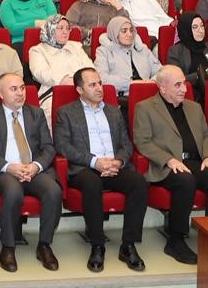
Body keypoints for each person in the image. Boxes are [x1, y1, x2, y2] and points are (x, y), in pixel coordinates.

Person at [54, 68, 148, 272]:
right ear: (79, 89)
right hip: (85, 168)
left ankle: (128, 245)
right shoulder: (66, 112)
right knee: (92, 183)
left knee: (139, 183)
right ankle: (97, 245)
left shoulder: (114, 111)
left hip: (113, 166)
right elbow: (63, 146)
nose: (99, 88)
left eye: (100, 83)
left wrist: (118, 162)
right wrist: (94, 162)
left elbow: (126, 144)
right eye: (92, 85)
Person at [133, 65, 208, 265]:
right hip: (166, 165)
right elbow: (143, 142)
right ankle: (176, 240)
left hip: (195, 161)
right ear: (162, 88)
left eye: (184, 83)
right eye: (178, 85)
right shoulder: (145, 108)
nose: (184, 89)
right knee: (185, 180)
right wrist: (168, 159)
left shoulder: (194, 107)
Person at [0, 70, 61, 271]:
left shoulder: (36, 113)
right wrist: (9, 167)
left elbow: (48, 147)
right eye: (13, 89)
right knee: (13, 191)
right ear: (0, 93)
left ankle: (44, 245)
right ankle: (8, 246)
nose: (20, 93)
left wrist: (35, 166)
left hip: (33, 168)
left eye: (22, 88)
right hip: (3, 170)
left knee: (54, 191)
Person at [94, 14, 162, 95]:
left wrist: (151, 82)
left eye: (131, 30)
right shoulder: (104, 51)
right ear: (114, 33)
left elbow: (161, 71)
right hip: (123, 97)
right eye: (124, 31)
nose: (129, 34)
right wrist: (130, 84)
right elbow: (101, 78)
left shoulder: (142, 49)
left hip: (148, 93)